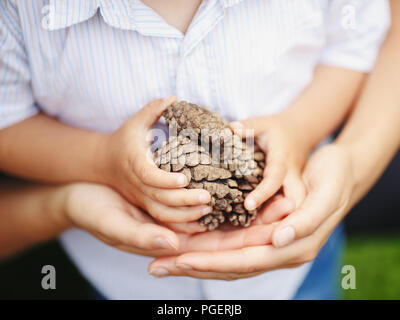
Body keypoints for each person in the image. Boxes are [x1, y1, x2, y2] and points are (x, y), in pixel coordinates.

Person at [0, 0, 390, 299]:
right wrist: (102, 160)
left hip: (292, 268)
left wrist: (300, 128)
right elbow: (8, 121)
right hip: (128, 280)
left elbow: (350, 49)